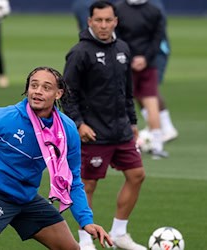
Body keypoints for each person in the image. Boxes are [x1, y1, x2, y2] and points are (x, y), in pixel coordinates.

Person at [0, 66, 113, 250]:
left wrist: (86, 222)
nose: (38, 91)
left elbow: (73, 180)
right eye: (34, 85)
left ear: (58, 93)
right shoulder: (1, 117)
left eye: (46, 87)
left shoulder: (67, 131)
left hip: (26, 197)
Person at [62, 2, 147, 249]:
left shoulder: (123, 48)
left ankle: (119, 233)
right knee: (87, 185)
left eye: (108, 20)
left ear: (115, 22)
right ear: (89, 21)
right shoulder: (79, 52)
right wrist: (78, 124)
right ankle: (85, 240)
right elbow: (66, 94)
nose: (103, 25)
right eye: (98, 20)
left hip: (121, 130)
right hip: (93, 133)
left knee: (137, 175)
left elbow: (127, 91)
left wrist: (132, 122)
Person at [115, 0, 168, 159]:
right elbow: (157, 39)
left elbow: (117, 37)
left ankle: (125, 144)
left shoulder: (118, 9)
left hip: (124, 61)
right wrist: (145, 58)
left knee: (122, 101)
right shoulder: (155, 10)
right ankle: (158, 145)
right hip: (148, 63)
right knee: (151, 102)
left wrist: (130, 57)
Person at [140, 0, 178, 143]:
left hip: (154, 52)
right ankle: (159, 126)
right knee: (140, 90)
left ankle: (164, 128)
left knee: (148, 90)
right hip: (144, 52)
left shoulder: (152, 6)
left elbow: (155, 31)